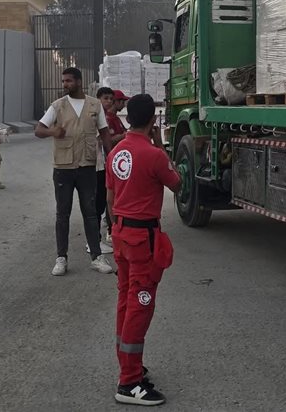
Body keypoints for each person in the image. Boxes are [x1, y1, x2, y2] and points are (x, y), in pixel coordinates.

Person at [107, 93, 181, 406]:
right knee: (141, 302)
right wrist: (160, 145)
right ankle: (129, 383)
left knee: (126, 299)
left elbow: (110, 197)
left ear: (127, 118)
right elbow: (177, 184)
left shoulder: (116, 152)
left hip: (122, 234)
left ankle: (128, 365)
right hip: (142, 240)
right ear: (153, 121)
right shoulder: (153, 156)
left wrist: (115, 230)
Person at [35, 67, 114, 275]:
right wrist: (53, 131)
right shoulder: (57, 106)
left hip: (87, 166)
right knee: (63, 214)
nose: (65, 84)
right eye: (64, 81)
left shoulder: (95, 105)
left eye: (68, 81)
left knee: (90, 213)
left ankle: (96, 257)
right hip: (64, 168)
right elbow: (39, 129)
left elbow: (105, 133)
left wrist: (111, 158)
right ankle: (61, 258)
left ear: (79, 82)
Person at [96, 88, 130, 247]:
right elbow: (107, 141)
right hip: (104, 164)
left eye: (111, 98)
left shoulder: (114, 118)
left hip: (113, 163)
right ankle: (109, 231)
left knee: (112, 198)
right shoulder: (106, 120)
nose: (109, 101)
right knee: (107, 199)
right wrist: (125, 136)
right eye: (106, 98)